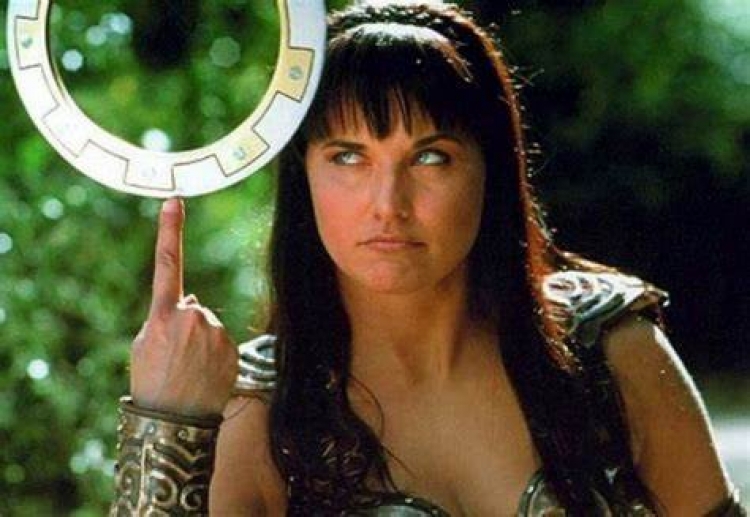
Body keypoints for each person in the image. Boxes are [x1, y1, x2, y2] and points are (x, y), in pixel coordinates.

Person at [110, 1, 746, 515]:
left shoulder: (605, 350)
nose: (389, 204)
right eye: (348, 157)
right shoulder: (261, 414)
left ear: (492, 172)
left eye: (431, 157)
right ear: (304, 179)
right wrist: (167, 424)